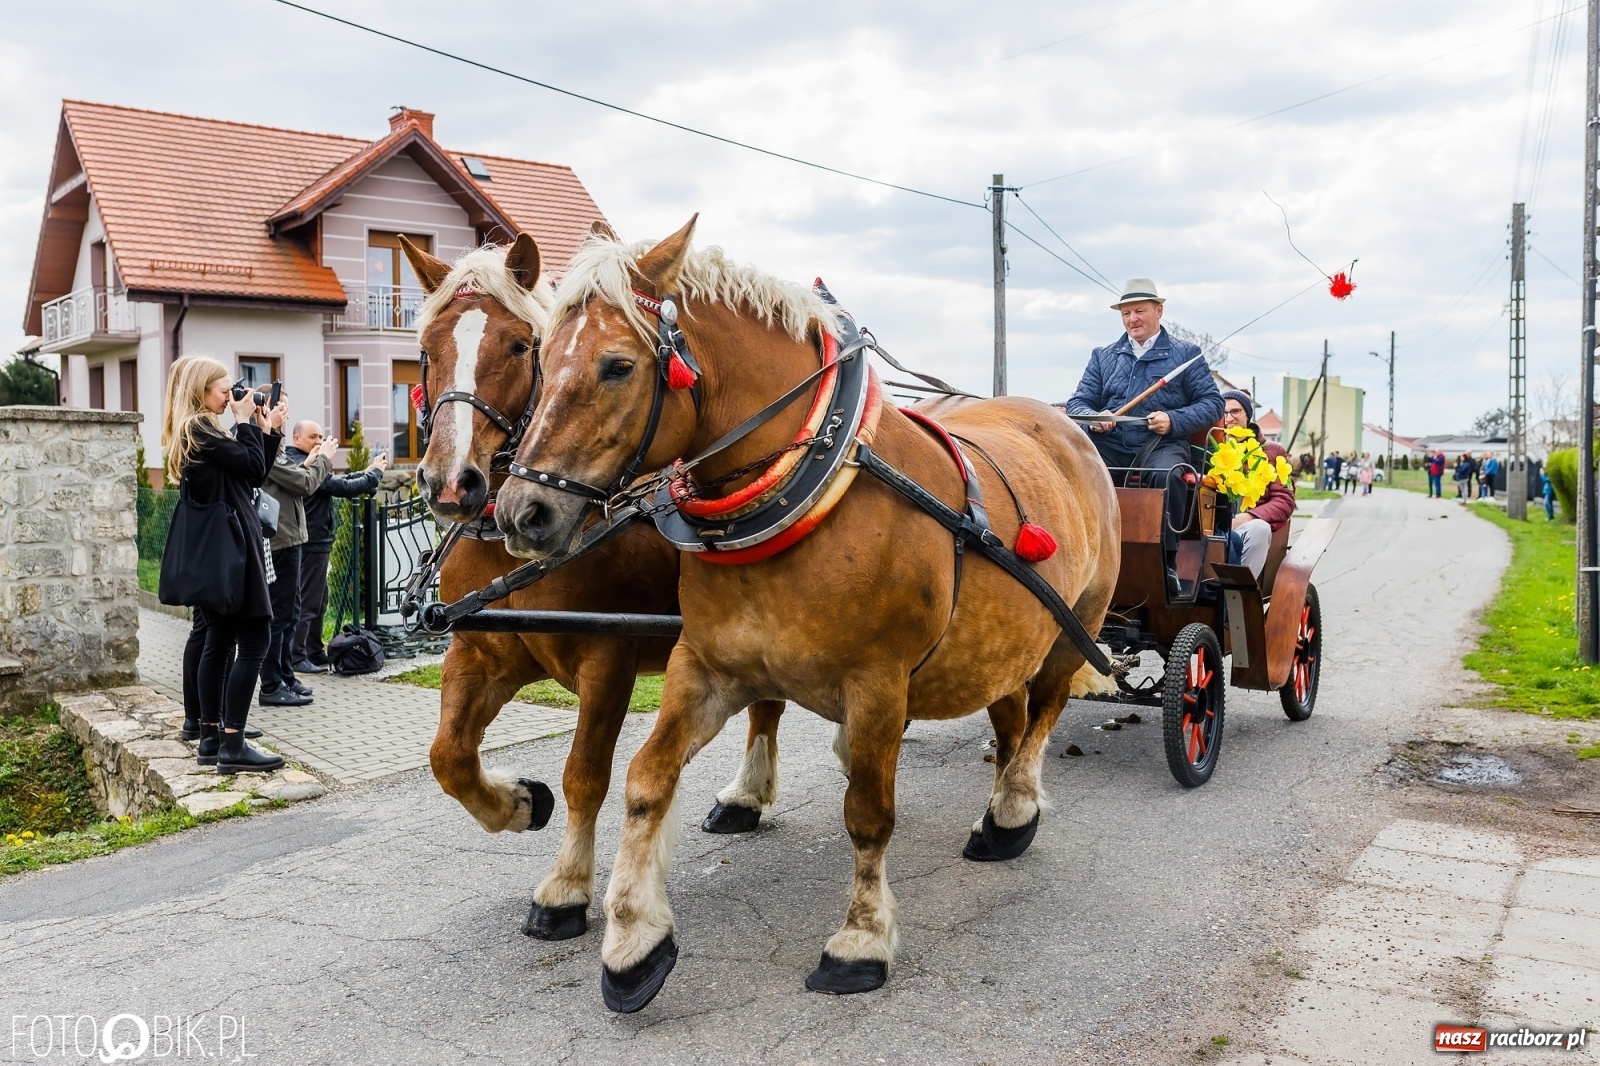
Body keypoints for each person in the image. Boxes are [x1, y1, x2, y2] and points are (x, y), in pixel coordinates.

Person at [159, 356, 286, 774]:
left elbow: (253, 472)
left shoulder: (200, 431)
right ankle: (232, 742)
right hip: (233, 548)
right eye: (223, 388)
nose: (230, 395)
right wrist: (246, 422)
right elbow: (250, 468)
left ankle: (212, 737)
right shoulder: (201, 429)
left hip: (223, 548)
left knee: (218, 640)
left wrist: (264, 430)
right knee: (254, 643)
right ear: (200, 390)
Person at [1064, 277, 1224, 477]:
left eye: (1139, 311)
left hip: (1162, 445)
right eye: (1126, 313)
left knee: (1168, 476)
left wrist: (1172, 420)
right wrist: (1093, 418)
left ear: (1159, 311)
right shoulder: (1102, 356)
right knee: (1078, 472)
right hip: (1109, 445)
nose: (1132, 319)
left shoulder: (1187, 354)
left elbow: (1213, 404)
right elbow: (1079, 402)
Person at [288, 422, 388, 673]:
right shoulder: (301, 462)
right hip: (311, 542)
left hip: (317, 541)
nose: (319, 441)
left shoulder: (309, 461)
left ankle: (312, 652)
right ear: (297, 438)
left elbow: (335, 481)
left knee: (319, 601)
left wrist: (366, 473)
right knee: (309, 602)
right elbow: (341, 488)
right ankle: (297, 657)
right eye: (313, 436)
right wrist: (373, 476)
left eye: (321, 436)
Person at [259, 397, 334, 706]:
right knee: (279, 616)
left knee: (290, 614)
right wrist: (324, 459)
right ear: (264, 410)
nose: (285, 413)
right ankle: (272, 685)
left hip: (292, 537)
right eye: (281, 408)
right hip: (279, 540)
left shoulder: (274, 448)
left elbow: (293, 478)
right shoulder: (264, 446)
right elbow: (303, 484)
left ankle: (286, 676)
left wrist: (307, 465)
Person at [1219, 391, 1294, 579]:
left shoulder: (1272, 452)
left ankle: (1240, 594)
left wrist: (1250, 516)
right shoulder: (1212, 447)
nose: (1229, 418)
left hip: (1248, 525)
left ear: (1247, 415)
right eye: (1224, 412)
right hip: (1217, 524)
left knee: (1259, 529)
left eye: (1235, 412)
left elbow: (1284, 500)